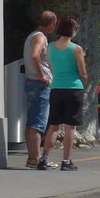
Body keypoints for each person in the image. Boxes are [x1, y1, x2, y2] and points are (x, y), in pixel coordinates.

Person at [40, 16, 87, 171]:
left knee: (53, 126)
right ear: (72, 30)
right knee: (69, 127)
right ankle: (66, 161)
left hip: (56, 88)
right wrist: (84, 83)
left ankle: (44, 158)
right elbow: (83, 72)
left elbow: (52, 68)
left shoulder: (50, 47)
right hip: (73, 88)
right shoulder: (76, 49)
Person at [22, 10, 58, 168]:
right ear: (51, 24)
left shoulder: (33, 35)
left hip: (32, 82)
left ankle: (32, 157)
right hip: (39, 84)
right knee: (38, 121)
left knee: (33, 120)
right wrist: (42, 75)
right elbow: (35, 56)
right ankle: (36, 158)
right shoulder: (40, 37)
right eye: (54, 25)